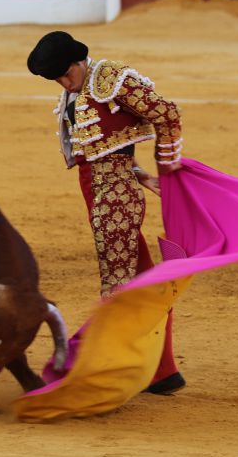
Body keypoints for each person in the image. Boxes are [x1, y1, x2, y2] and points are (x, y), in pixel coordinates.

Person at [27, 30, 185, 395]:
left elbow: (167, 113)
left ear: (80, 60)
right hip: (100, 189)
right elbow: (109, 148)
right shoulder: (79, 88)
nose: (65, 83)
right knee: (144, 282)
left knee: (118, 286)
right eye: (57, 80)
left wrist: (168, 167)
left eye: (67, 74)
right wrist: (141, 174)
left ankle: (108, 372)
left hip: (113, 197)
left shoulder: (111, 79)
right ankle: (163, 372)